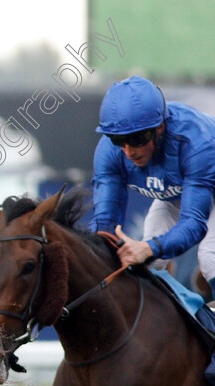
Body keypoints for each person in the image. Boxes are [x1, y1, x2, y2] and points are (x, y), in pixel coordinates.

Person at [91, 76, 215, 299]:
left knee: (210, 257)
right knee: (150, 263)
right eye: (118, 139)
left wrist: (148, 248)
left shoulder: (195, 142)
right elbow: (103, 225)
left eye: (137, 138)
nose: (129, 151)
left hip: (205, 186)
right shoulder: (108, 152)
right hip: (179, 192)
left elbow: (194, 223)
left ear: (160, 127)